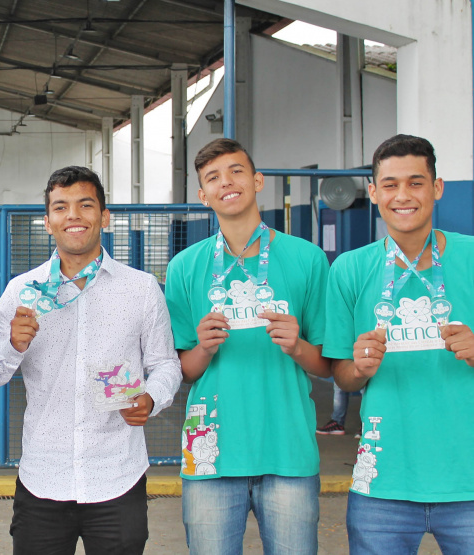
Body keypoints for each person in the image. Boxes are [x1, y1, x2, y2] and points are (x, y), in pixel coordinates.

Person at [0, 166, 182, 555]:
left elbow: (166, 364)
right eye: (61, 207)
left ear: (104, 217)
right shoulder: (21, 291)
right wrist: (13, 345)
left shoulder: (140, 288)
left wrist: (151, 398)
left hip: (117, 476)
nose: (73, 215)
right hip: (43, 477)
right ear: (47, 222)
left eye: (85, 204)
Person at [165, 139, 330, 554]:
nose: (227, 183)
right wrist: (202, 348)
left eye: (237, 171)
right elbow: (183, 369)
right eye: (213, 178)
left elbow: (329, 365)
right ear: (203, 196)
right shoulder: (185, 267)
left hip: (288, 450)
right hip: (210, 454)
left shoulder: (307, 258)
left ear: (257, 181)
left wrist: (298, 347)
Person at [324, 134, 474, 553]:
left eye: (415, 182)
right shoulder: (350, 270)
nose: (402, 196)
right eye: (390, 185)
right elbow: (342, 375)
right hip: (382, 485)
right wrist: (359, 368)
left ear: (437, 188)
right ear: (373, 192)